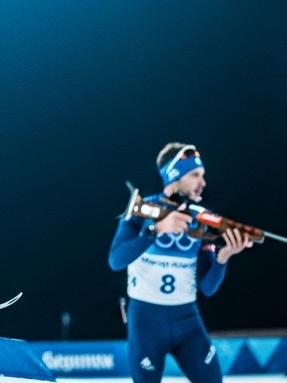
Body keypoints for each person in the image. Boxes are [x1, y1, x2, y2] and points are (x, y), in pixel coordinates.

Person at [108, 143, 256, 383]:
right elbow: (115, 260)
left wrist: (223, 257)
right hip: (145, 321)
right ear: (174, 176)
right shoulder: (141, 209)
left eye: (203, 175)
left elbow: (207, 288)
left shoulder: (201, 218)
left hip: (187, 320)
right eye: (195, 175)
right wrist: (156, 230)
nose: (203, 182)